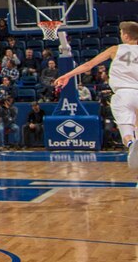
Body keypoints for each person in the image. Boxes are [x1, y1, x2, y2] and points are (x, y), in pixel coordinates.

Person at [54, 21, 138, 168]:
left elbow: (88, 65)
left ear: (125, 35)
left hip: (122, 94)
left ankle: (130, 143)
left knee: (127, 133)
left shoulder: (115, 49)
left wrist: (67, 75)